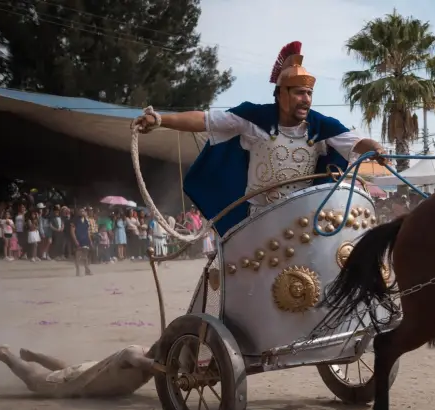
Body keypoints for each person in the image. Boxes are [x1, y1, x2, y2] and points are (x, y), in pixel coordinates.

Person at [132, 41, 388, 234]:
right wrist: (161, 120)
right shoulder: (253, 119)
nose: (306, 99)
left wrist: (376, 146)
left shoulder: (321, 126)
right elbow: (204, 120)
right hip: (258, 223)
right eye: (299, 92)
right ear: (280, 94)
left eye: (309, 93)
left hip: (307, 222)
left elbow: (355, 142)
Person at [0, 344, 156, 398]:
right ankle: (4, 354)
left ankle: (36, 357)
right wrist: (167, 367)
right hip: (85, 382)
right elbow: (145, 363)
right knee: (36, 381)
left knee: (70, 370)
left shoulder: (146, 351)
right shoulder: (135, 353)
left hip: (95, 372)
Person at [70, 207, 93, 276]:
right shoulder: (75, 220)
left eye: (84, 211)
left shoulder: (86, 221)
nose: (83, 212)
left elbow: (88, 232)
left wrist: (90, 240)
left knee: (85, 256)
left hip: (85, 240)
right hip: (78, 240)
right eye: (81, 211)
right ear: (78, 212)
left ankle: (87, 270)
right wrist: (75, 240)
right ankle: (78, 271)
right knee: (77, 256)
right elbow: (72, 231)